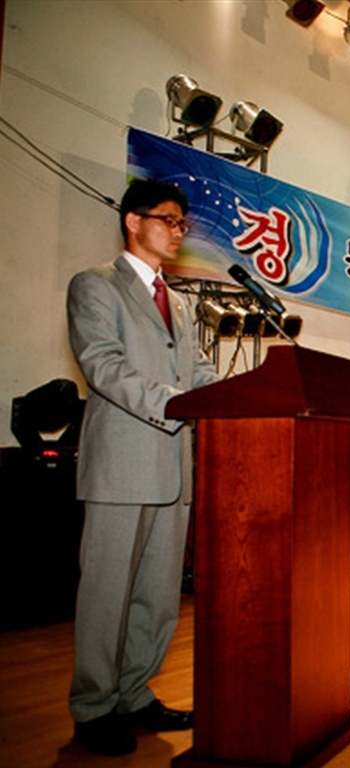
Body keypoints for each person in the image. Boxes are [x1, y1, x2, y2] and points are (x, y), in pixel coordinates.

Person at [65, 179, 220, 755]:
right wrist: (177, 405)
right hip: (122, 467)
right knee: (107, 593)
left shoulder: (178, 302)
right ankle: (93, 706)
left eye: (183, 224)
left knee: (157, 596)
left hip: (173, 471)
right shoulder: (95, 285)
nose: (179, 232)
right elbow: (103, 365)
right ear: (133, 221)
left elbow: (199, 373)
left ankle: (133, 692)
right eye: (168, 220)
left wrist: (240, 397)